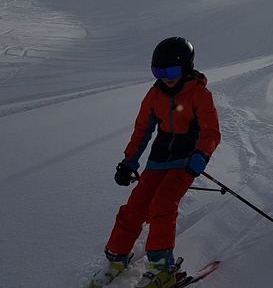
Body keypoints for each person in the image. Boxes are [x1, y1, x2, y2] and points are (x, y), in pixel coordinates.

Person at [88, 37, 221, 288]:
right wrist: (129, 162)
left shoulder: (199, 94)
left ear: (187, 69)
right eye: (158, 71)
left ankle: (163, 267)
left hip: (185, 161)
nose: (165, 77)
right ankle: (116, 258)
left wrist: (201, 155)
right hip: (158, 160)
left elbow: (211, 131)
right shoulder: (154, 94)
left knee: (162, 205)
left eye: (172, 71)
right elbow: (142, 130)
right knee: (134, 208)